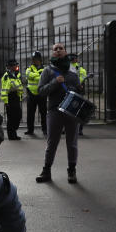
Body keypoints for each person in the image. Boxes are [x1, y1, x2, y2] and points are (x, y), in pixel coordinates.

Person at [35, 43, 83, 184]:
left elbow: (78, 91)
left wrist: (80, 88)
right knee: (52, 143)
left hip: (71, 112)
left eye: (60, 48)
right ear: (52, 53)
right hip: (54, 110)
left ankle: (72, 171)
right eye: (55, 49)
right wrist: (55, 82)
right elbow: (41, 91)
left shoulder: (73, 71)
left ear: (65, 52)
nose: (58, 50)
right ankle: (46, 171)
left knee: (72, 143)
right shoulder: (48, 71)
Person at [23, 51, 47, 136]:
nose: (34, 61)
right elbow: (29, 76)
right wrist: (39, 75)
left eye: (36, 59)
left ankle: (45, 129)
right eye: (33, 59)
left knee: (43, 113)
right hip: (31, 94)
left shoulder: (45, 69)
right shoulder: (29, 69)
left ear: (40, 59)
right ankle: (30, 130)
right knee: (30, 113)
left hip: (41, 93)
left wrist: (35, 76)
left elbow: (44, 78)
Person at [0, 59, 23, 140]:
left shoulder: (16, 74)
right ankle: (12, 135)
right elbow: (5, 90)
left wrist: (20, 97)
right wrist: (6, 102)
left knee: (18, 116)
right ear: (9, 67)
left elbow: (18, 86)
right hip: (10, 98)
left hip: (16, 97)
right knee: (11, 118)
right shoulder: (7, 76)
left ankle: (13, 133)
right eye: (14, 65)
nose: (16, 66)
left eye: (16, 65)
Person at [71, 53, 89, 136]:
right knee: (79, 110)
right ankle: (79, 129)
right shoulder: (80, 68)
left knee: (69, 110)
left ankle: (69, 128)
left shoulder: (69, 68)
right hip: (78, 90)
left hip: (72, 90)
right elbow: (83, 78)